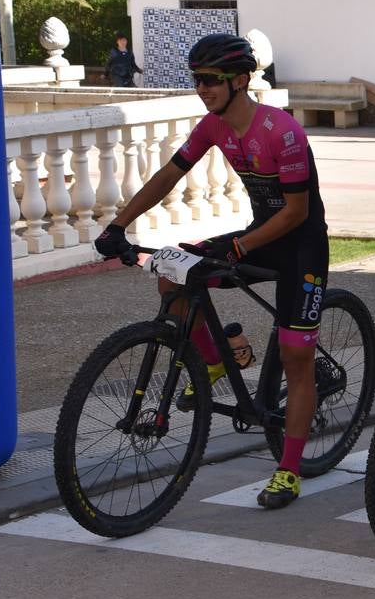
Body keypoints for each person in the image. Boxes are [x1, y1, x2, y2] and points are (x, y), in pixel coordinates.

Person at [92, 34, 328, 510]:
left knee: (294, 356)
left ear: (240, 81)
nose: (201, 88)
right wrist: (118, 223)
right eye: (196, 79)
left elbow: (296, 213)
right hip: (260, 233)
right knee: (173, 273)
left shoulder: (281, 131)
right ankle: (217, 357)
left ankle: (288, 469)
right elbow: (168, 175)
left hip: (299, 244)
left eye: (210, 80)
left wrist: (240, 245)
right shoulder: (214, 127)